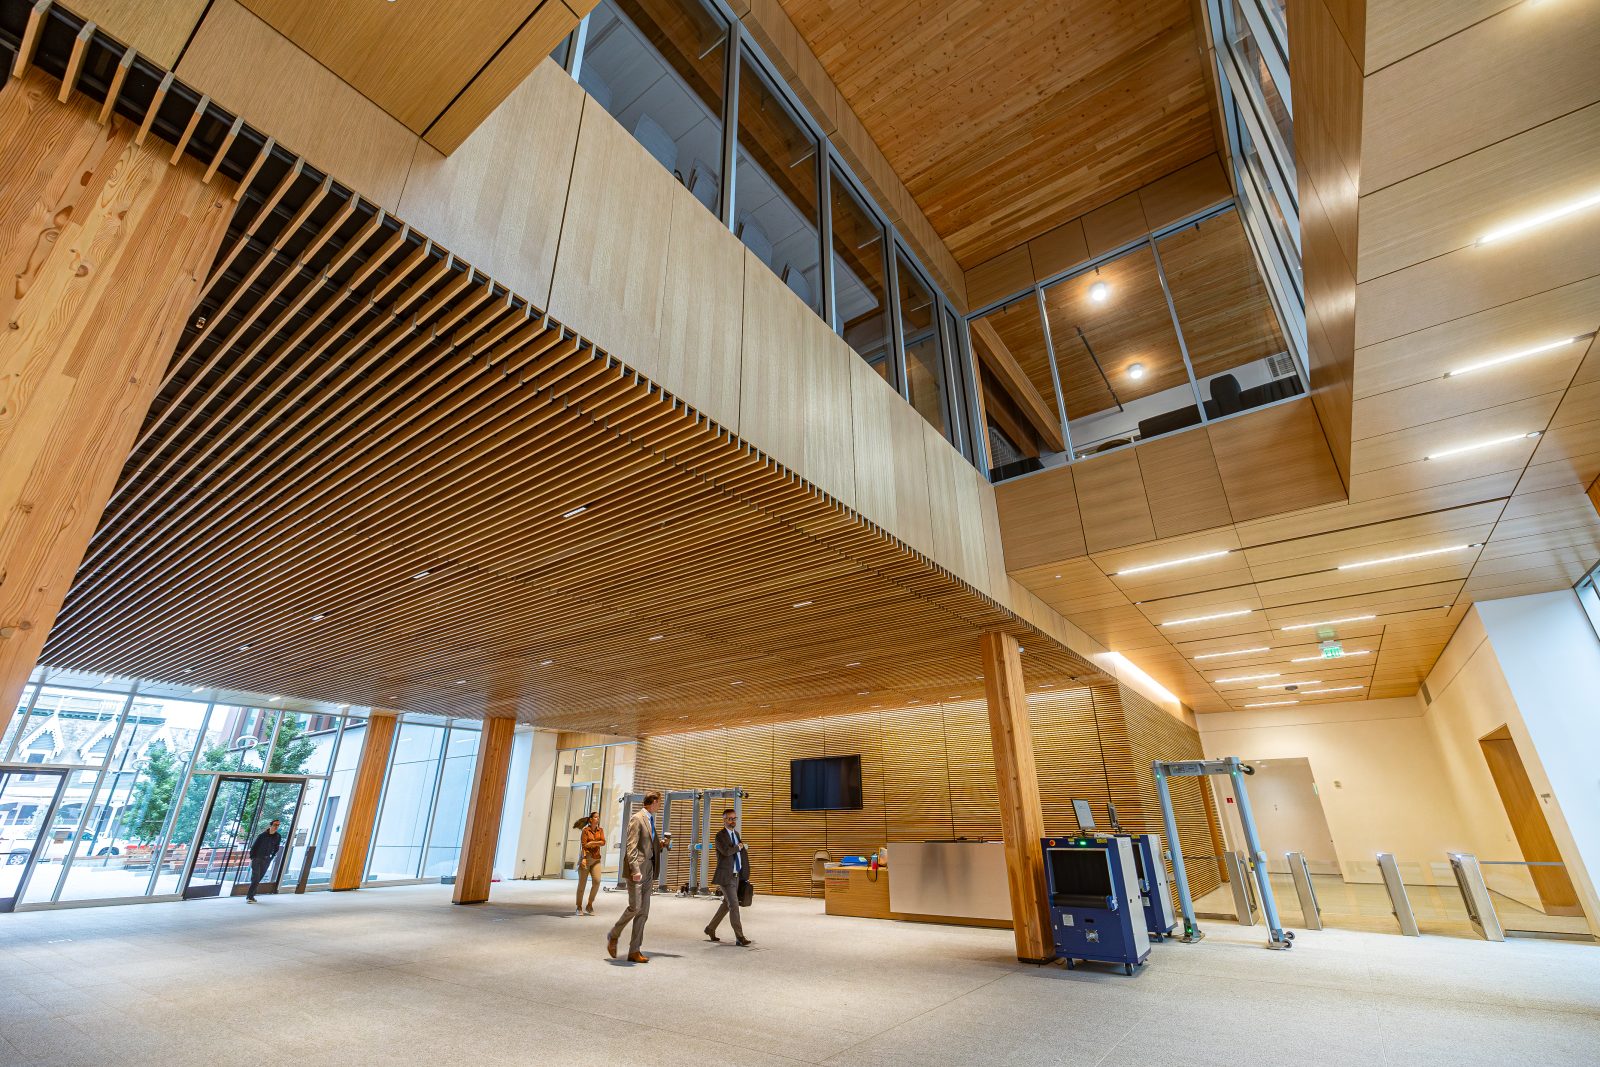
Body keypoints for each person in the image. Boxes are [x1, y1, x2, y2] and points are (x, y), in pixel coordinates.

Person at [607, 792, 666, 963]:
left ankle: (634, 950)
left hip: (649, 868)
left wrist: (660, 844)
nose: (659, 805)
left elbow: (647, 844)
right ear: (653, 802)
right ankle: (614, 934)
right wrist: (634, 869)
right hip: (638, 869)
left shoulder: (650, 820)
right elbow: (631, 846)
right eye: (658, 802)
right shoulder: (637, 818)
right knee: (635, 906)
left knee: (644, 911)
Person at [705, 808, 752, 946]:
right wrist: (738, 847)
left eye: (734, 818)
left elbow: (740, 854)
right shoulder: (720, 836)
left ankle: (710, 928)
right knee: (734, 905)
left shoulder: (736, 834)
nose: (732, 821)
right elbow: (726, 851)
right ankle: (740, 937)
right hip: (726, 876)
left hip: (736, 876)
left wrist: (744, 873)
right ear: (724, 820)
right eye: (730, 819)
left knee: (727, 904)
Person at [245, 819, 282, 903]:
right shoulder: (262, 835)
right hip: (257, 858)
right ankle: (250, 897)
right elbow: (254, 846)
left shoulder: (278, 836)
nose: (276, 827)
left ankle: (251, 896)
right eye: (275, 824)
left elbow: (276, 847)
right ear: (271, 825)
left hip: (267, 860)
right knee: (255, 878)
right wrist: (252, 857)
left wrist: (271, 857)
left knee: (259, 878)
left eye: (278, 825)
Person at [576, 811, 605, 915]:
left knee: (597, 881)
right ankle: (579, 907)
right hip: (586, 859)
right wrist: (583, 858)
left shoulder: (600, 830)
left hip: (596, 859)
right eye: (596, 817)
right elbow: (584, 845)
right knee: (582, 885)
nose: (598, 819)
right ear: (591, 819)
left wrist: (592, 843)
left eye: (598, 817)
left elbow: (603, 842)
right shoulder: (585, 830)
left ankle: (589, 904)